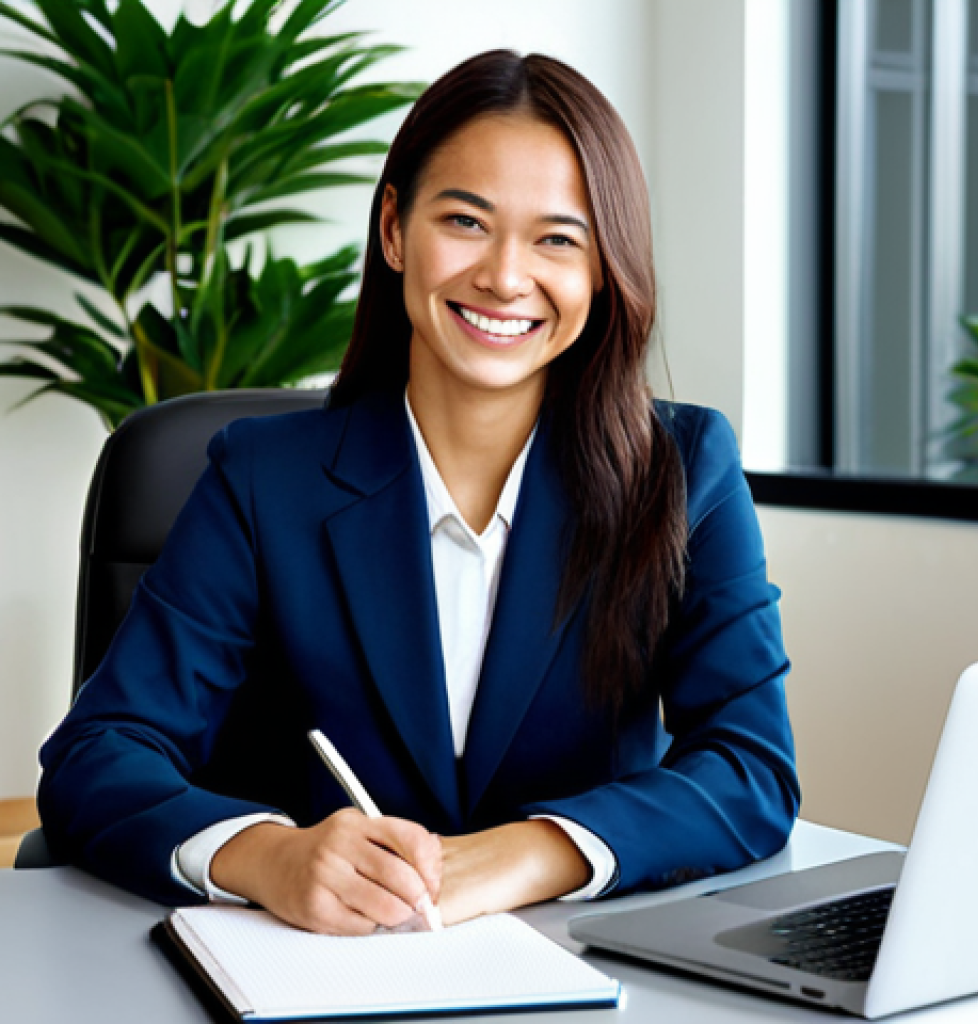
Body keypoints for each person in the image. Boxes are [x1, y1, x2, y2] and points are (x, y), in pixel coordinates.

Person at [38, 50, 800, 935]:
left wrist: (526, 852)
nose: (506, 278)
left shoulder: (682, 469)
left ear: (601, 269)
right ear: (395, 230)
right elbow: (98, 753)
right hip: (308, 966)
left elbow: (750, 765)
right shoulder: (261, 478)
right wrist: (266, 856)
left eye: (558, 238)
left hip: (589, 970)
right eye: (467, 222)